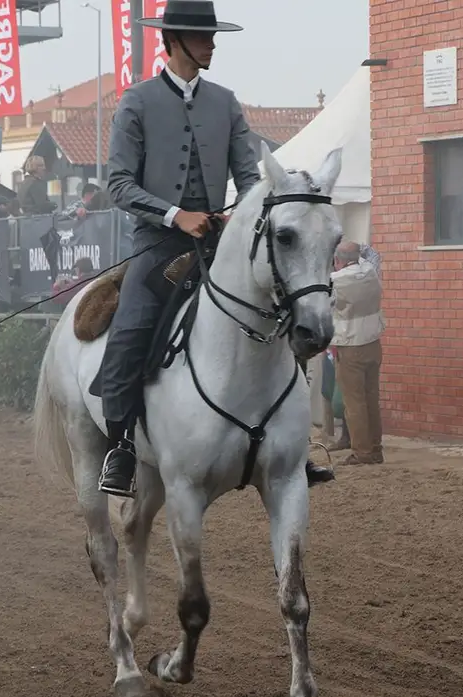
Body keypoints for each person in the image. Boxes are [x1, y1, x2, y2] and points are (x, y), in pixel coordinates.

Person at [90, 0, 334, 497]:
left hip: (221, 240)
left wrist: (239, 211)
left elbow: (249, 176)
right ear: (175, 41)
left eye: (213, 36)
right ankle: (120, 448)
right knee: (131, 330)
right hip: (158, 243)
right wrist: (174, 214)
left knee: (285, 312)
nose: (213, 44)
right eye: (204, 37)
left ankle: (292, 443)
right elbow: (117, 183)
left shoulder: (225, 102)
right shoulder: (135, 103)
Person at [330, 241, 386, 464]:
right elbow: (373, 253)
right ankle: (376, 448)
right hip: (373, 343)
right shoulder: (371, 271)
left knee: (354, 403)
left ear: (337, 261)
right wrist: (356, 246)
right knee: (372, 398)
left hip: (349, 345)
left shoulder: (334, 282)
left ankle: (362, 452)